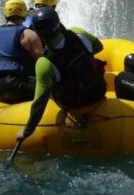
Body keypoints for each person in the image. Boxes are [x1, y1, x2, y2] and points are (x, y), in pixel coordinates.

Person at [16, 7, 107, 142]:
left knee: (43, 84)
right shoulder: (78, 33)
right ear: (58, 23)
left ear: (38, 33)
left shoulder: (44, 63)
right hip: (98, 91)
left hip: (74, 104)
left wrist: (27, 131)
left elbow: (39, 104)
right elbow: (99, 47)